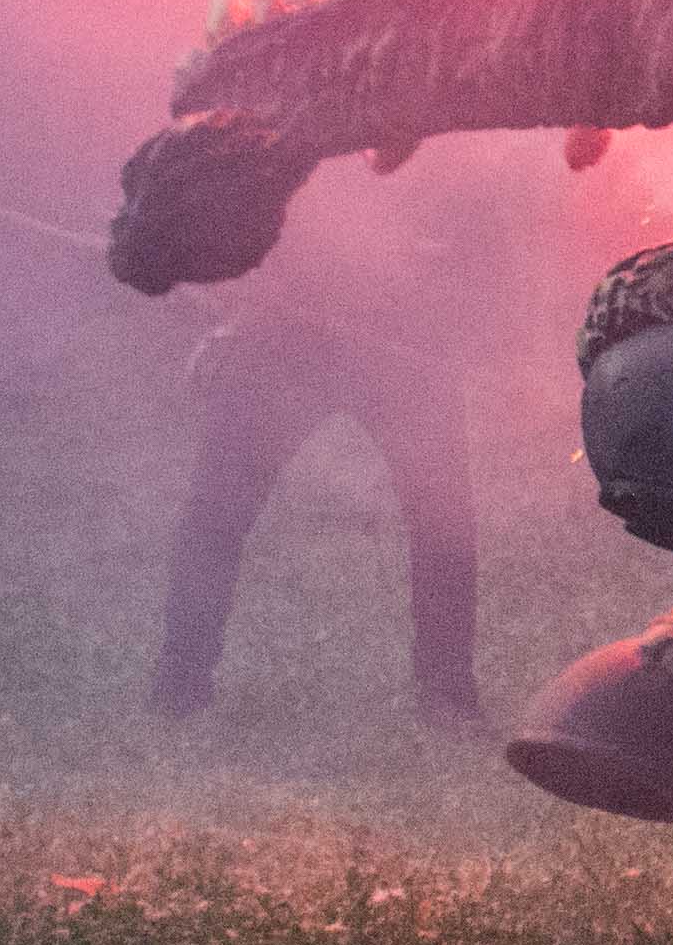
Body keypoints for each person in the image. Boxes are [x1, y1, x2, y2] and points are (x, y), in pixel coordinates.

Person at [150, 173, 485, 733]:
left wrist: (434, 268)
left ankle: (448, 695)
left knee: (442, 518)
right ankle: (179, 688)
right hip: (282, 327)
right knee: (217, 512)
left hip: (401, 330)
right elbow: (244, 204)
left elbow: (461, 225)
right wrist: (241, 305)